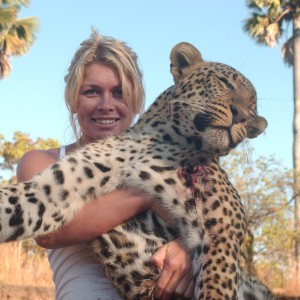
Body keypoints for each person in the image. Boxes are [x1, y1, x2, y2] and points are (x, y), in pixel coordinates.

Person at [16, 30, 193, 300]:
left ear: (136, 102)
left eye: (119, 93)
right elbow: (51, 231)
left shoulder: (168, 161)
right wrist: (148, 191)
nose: (106, 105)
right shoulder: (43, 162)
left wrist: (189, 248)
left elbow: (218, 227)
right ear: (74, 99)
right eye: (92, 92)